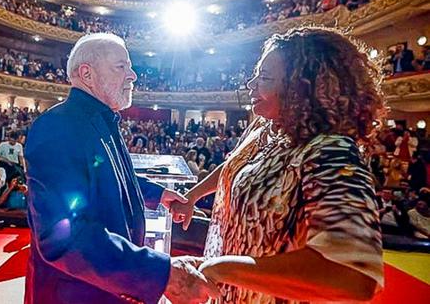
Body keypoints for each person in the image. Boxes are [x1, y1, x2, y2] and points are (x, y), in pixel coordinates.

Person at [172, 27, 384, 302]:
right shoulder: (266, 127)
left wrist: (225, 267)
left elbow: (353, 276)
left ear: (301, 88)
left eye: (265, 78)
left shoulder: (330, 152)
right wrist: (193, 195)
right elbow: (233, 167)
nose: (251, 85)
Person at [24, 33, 218, 304]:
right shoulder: (56, 128)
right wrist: (161, 273)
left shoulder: (101, 121)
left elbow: (110, 174)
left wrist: (158, 194)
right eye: (121, 66)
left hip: (103, 289)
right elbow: (65, 238)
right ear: (87, 74)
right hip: (75, 295)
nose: (133, 75)